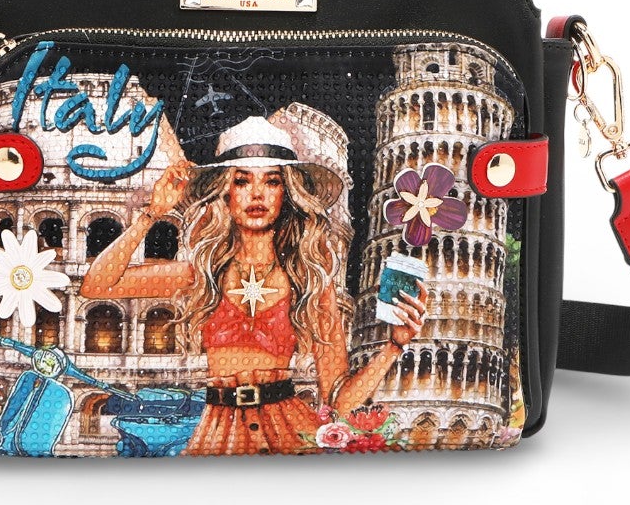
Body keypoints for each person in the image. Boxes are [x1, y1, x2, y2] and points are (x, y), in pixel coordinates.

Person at [81, 115, 428, 455]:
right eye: (242, 181)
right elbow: (96, 286)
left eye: (272, 181)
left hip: (289, 430)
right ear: (225, 193)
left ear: (287, 193)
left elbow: (339, 402)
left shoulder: (308, 281)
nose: (257, 194)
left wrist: (394, 346)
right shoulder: (201, 274)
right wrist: (151, 214)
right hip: (219, 431)